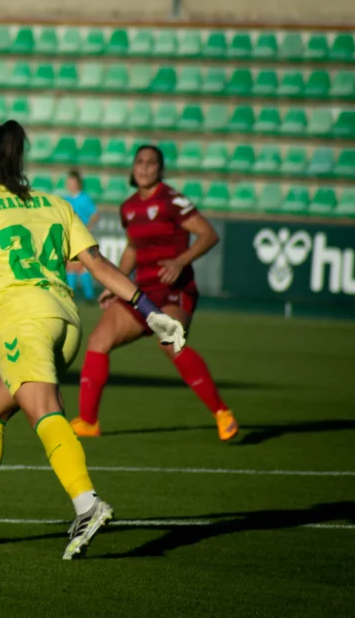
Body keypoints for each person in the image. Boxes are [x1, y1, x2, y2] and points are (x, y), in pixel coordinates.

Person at [0, 121, 186, 560]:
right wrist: (150, 311)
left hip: (23, 323)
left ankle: (87, 504)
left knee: (44, 410)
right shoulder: (56, 204)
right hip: (66, 325)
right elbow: (97, 263)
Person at [70, 145, 238, 442]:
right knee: (98, 340)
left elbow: (208, 233)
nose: (145, 167)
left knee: (169, 340)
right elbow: (132, 249)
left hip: (174, 290)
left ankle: (222, 413)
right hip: (141, 292)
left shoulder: (172, 200)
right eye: (140, 162)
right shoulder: (129, 207)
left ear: (160, 169)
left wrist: (180, 261)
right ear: (133, 168)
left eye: (151, 163)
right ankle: (88, 421)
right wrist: (114, 286)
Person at [62, 170, 99, 301]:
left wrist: (88, 227)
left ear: (78, 184)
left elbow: (95, 214)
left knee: (81, 266)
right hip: (69, 237)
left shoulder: (84, 199)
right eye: (68, 183)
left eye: (72, 182)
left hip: (81, 237)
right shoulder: (65, 200)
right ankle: (72, 294)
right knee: (71, 266)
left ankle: (88, 295)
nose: (70, 185)